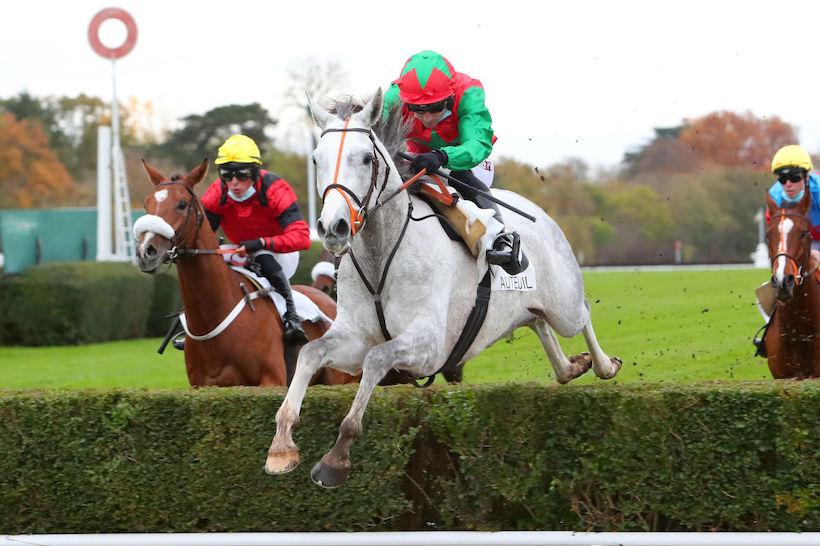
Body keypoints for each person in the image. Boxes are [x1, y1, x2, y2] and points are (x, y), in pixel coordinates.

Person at [382, 50, 526, 275]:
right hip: (416, 157)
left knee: (460, 178)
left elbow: (477, 143)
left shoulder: (469, 92)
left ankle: (501, 242)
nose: (428, 118)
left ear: (450, 96)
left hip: (466, 158)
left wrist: (442, 156)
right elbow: (366, 128)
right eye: (418, 110)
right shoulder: (394, 96)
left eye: (435, 108)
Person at [201, 134, 310, 344]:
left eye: (241, 175)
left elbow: (302, 237)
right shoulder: (217, 192)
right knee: (207, 264)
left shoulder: (274, 188)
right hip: (238, 249)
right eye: (227, 175)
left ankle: (292, 317)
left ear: (254, 171)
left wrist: (262, 243)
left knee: (262, 255)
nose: (233, 183)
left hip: (279, 253)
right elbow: (204, 234)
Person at [766, 144, 820, 271]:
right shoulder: (775, 198)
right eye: (782, 178)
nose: (788, 184)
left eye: (795, 177)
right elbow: (776, 239)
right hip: (801, 240)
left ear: (807, 176)